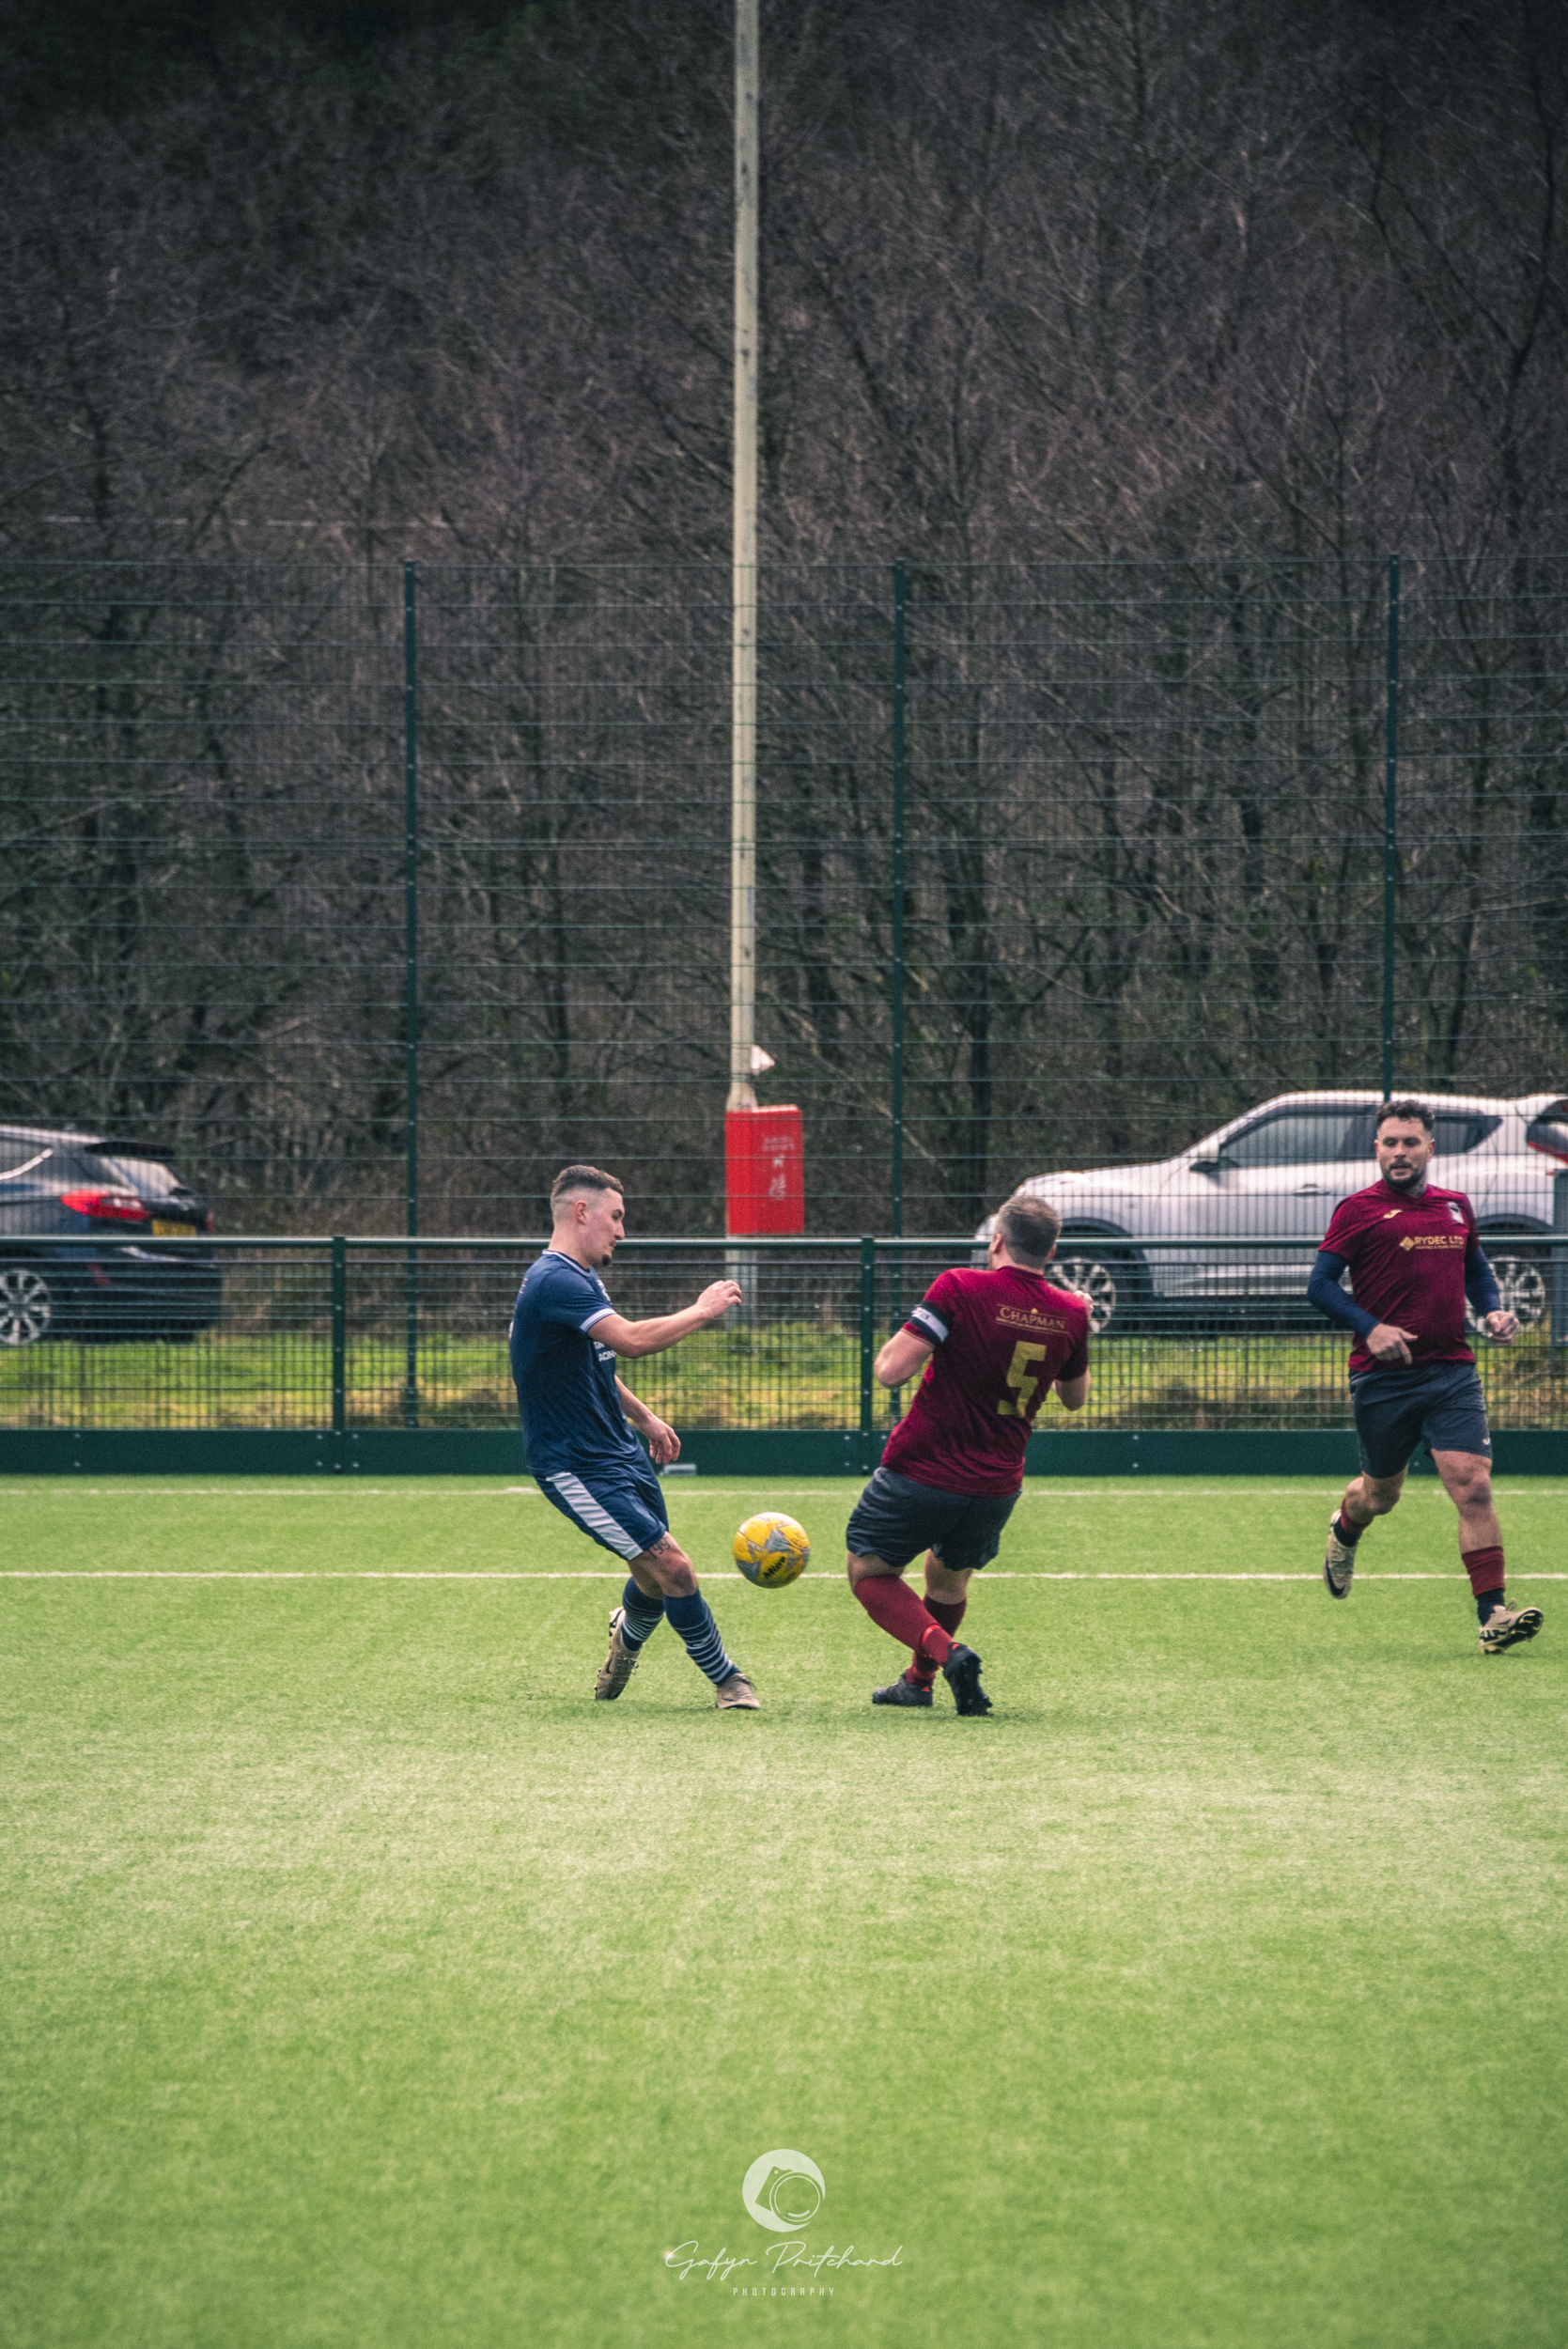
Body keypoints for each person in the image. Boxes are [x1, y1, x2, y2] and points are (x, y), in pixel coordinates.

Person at [510, 1163, 760, 1709]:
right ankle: (729, 1681)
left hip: (618, 1451)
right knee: (674, 1566)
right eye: (616, 1217)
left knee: (651, 1577)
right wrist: (702, 1309)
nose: (622, 1231)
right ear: (582, 1213)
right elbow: (628, 1340)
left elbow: (595, 1363)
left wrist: (644, 1418)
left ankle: (625, 1634)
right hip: (572, 1463)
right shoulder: (555, 1279)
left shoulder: (579, 1278)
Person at [1308, 1098, 1543, 1655]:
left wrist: (1492, 1309)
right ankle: (1346, 1525)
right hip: (1383, 1378)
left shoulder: (1455, 1208)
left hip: (1451, 1372)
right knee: (1380, 1496)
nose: (1399, 1152)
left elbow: (1477, 1271)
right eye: (1389, 1143)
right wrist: (1371, 1328)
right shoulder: (1357, 1209)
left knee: (1474, 1485)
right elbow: (1319, 1287)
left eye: (1410, 1142)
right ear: (1377, 1150)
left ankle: (1493, 1616)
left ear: (1430, 1148)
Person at [845, 1191, 1092, 1713]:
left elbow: (891, 1371)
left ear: (997, 1241)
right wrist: (1080, 1324)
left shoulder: (959, 1286)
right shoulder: (1071, 1311)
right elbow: (1075, 1399)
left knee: (868, 1572)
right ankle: (919, 1682)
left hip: (923, 1469)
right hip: (996, 1486)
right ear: (1050, 1254)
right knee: (948, 1579)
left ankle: (945, 1652)